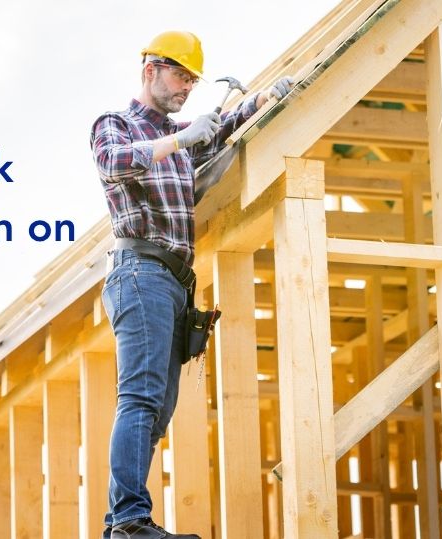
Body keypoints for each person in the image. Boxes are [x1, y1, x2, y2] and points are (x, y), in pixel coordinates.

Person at [90, 30, 294, 539]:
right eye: (180, 75)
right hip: (140, 272)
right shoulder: (116, 125)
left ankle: (123, 520)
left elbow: (221, 127)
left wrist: (265, 98)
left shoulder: (180, 142)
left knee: (157, 408)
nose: (187, 86)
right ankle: (130, 522)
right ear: (150, 70)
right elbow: (111, 163)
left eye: (193, 80)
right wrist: (181, 139)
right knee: (139, 397)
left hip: (173, 283)